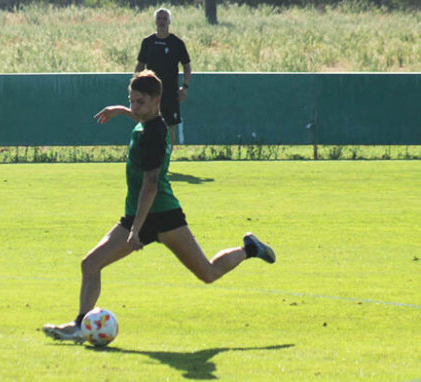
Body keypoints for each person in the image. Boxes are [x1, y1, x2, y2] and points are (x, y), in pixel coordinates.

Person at [42, 71, 274, 342]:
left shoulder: (153, 133)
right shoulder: (151, 122)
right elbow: (144, 119)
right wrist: (120, 111)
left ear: (156, 100)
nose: (134, 107)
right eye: (130, 101)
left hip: (162, 216)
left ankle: (249, 250)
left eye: (139, 102)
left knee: (208, 273)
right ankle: (81, 325)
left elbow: (150, 184)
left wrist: (135, 230)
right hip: (138, 214)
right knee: (90, 264)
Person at [135, 8, 192, 146]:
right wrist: (136, 86)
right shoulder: (147, 41)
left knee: (170, 125)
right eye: (159, 18)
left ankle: (166, 160)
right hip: (150, 92)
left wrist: (184, 87)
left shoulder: (177, 43)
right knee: (148, 122)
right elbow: (140, 65)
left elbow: (187, 66)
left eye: (164, 19)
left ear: (169, 21)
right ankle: (151, 158)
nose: (162, 21)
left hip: (170, 92)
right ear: (155, 21)